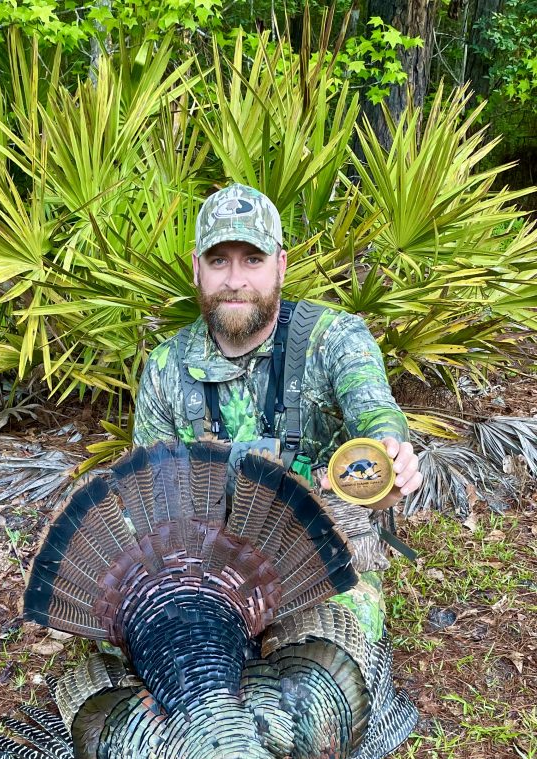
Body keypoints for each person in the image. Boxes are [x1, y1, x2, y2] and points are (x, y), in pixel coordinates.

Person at [133, 183, 422, 642]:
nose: (234, 279)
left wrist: (390, 457)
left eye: (252, 259)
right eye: (218, 260)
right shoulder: (166, 367)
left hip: (320, 559)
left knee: (325, 667)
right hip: (209, 569)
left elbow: (375, 414)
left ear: (280, 265)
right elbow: (151, 503)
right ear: (196, 269)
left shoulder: (334, 338)